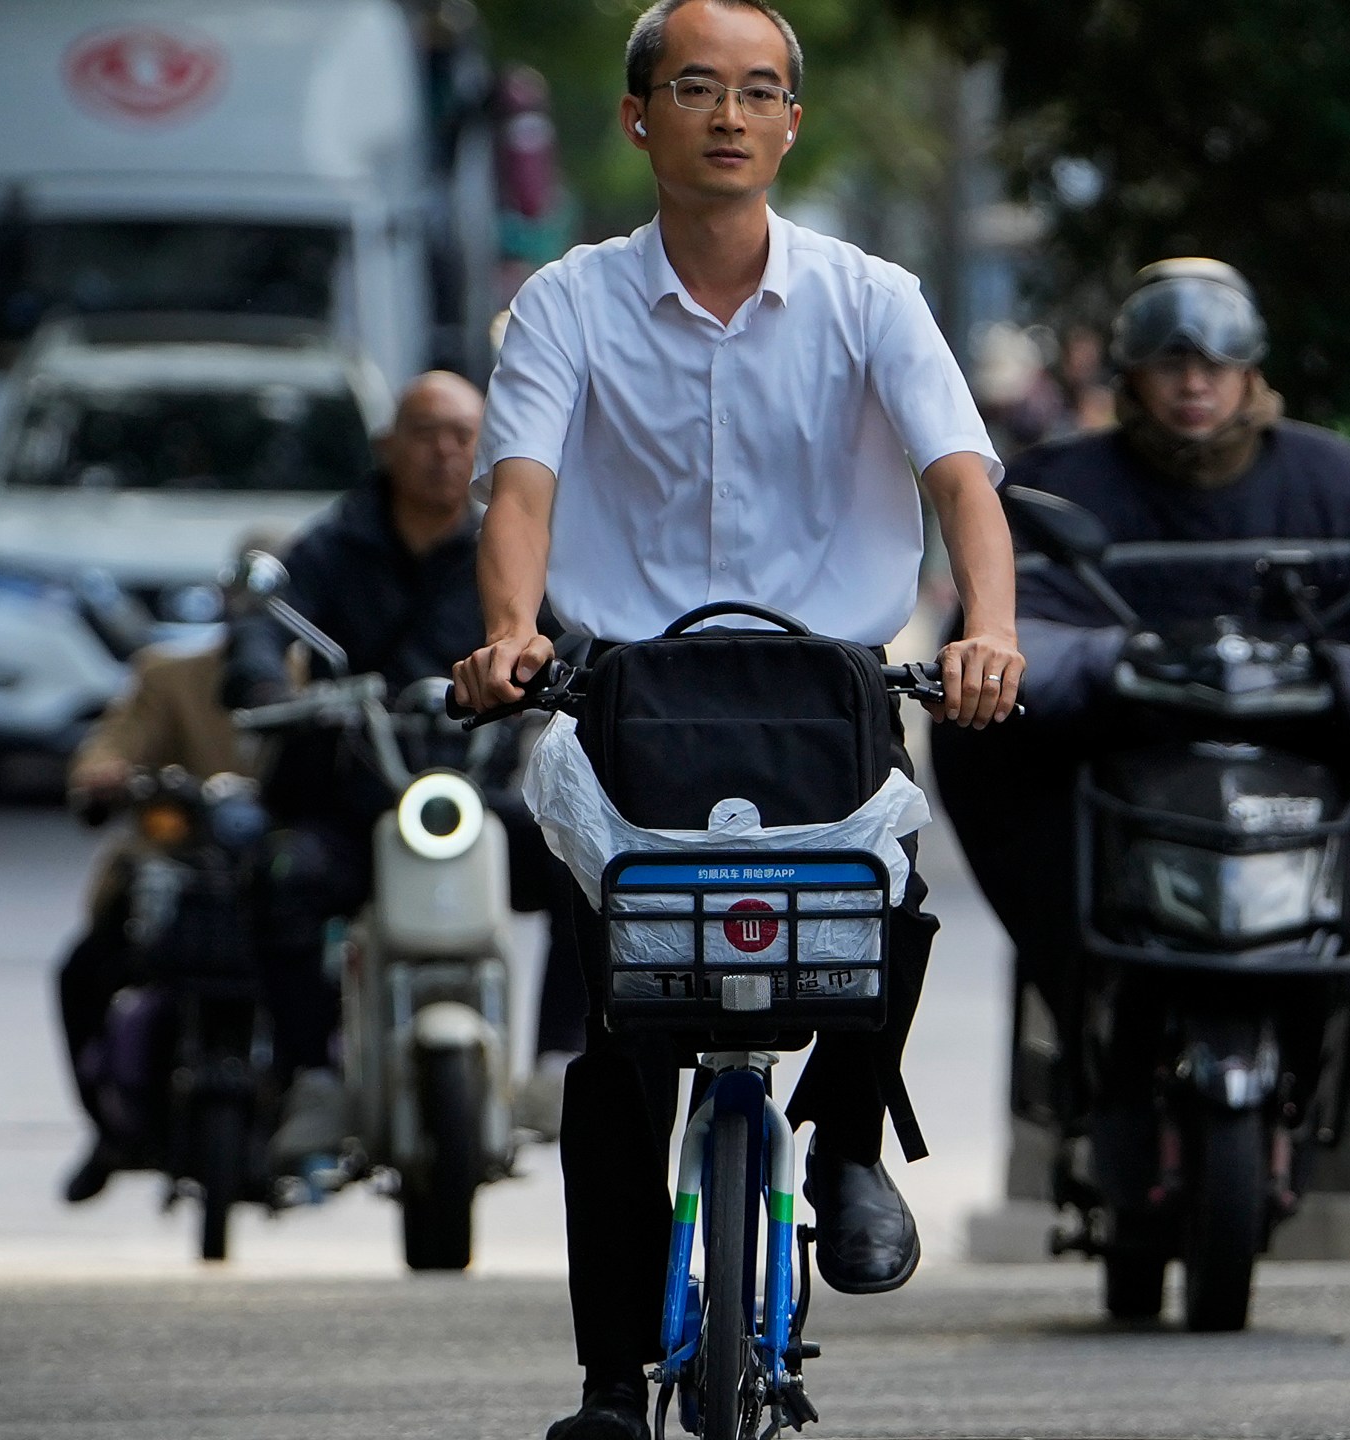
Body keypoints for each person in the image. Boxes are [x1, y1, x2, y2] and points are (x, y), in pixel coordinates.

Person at [445, 4, 1020, 1434]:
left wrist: (988, 631)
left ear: (789, 126)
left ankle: (839, 1149)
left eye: (760, 91)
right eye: (695, 88)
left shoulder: (873, 296)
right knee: (619, 1048)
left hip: (834, 696)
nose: (729, 114)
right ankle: (602, 1383)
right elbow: (519, 490)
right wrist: (513, 638)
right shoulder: (569, 302)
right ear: (639, 117)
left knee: (889, 909)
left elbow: (961, 479)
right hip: (626, 701)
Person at [932, 257, 1350, 1140]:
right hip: (1110, 777)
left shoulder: (1339, 482)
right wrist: (1126, 663)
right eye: (1169, 365)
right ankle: (1079, 998)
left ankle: (1324, 984)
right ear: (1131, 376)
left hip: (1296, 776)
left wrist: (1333, 674)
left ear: (1251, 372)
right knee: (975, 730)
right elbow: (1001, 631)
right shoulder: (1059, 486)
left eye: (1216, 366)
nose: (1195, 384)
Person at [225, 371, 584, 1173]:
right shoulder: (331, 544)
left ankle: (559, 1063)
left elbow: (572, 628)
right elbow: (264, 622)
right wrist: (255, 674)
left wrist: (584, 674)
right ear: (389, 445)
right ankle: (309, 1076)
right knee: (280, 876)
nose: (445, 451)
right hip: (355, 799)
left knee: (581, 870)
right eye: (426, 433)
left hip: (478, 793)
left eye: (463, 435)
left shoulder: (511, 547)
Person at [54, 593, 254, 1202]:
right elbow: (112, 745)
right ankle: (110, 1126)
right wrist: (105, 772)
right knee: (82, 974)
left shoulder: (329, 680)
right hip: (173, 876)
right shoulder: (170, 677)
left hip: (281, 881)